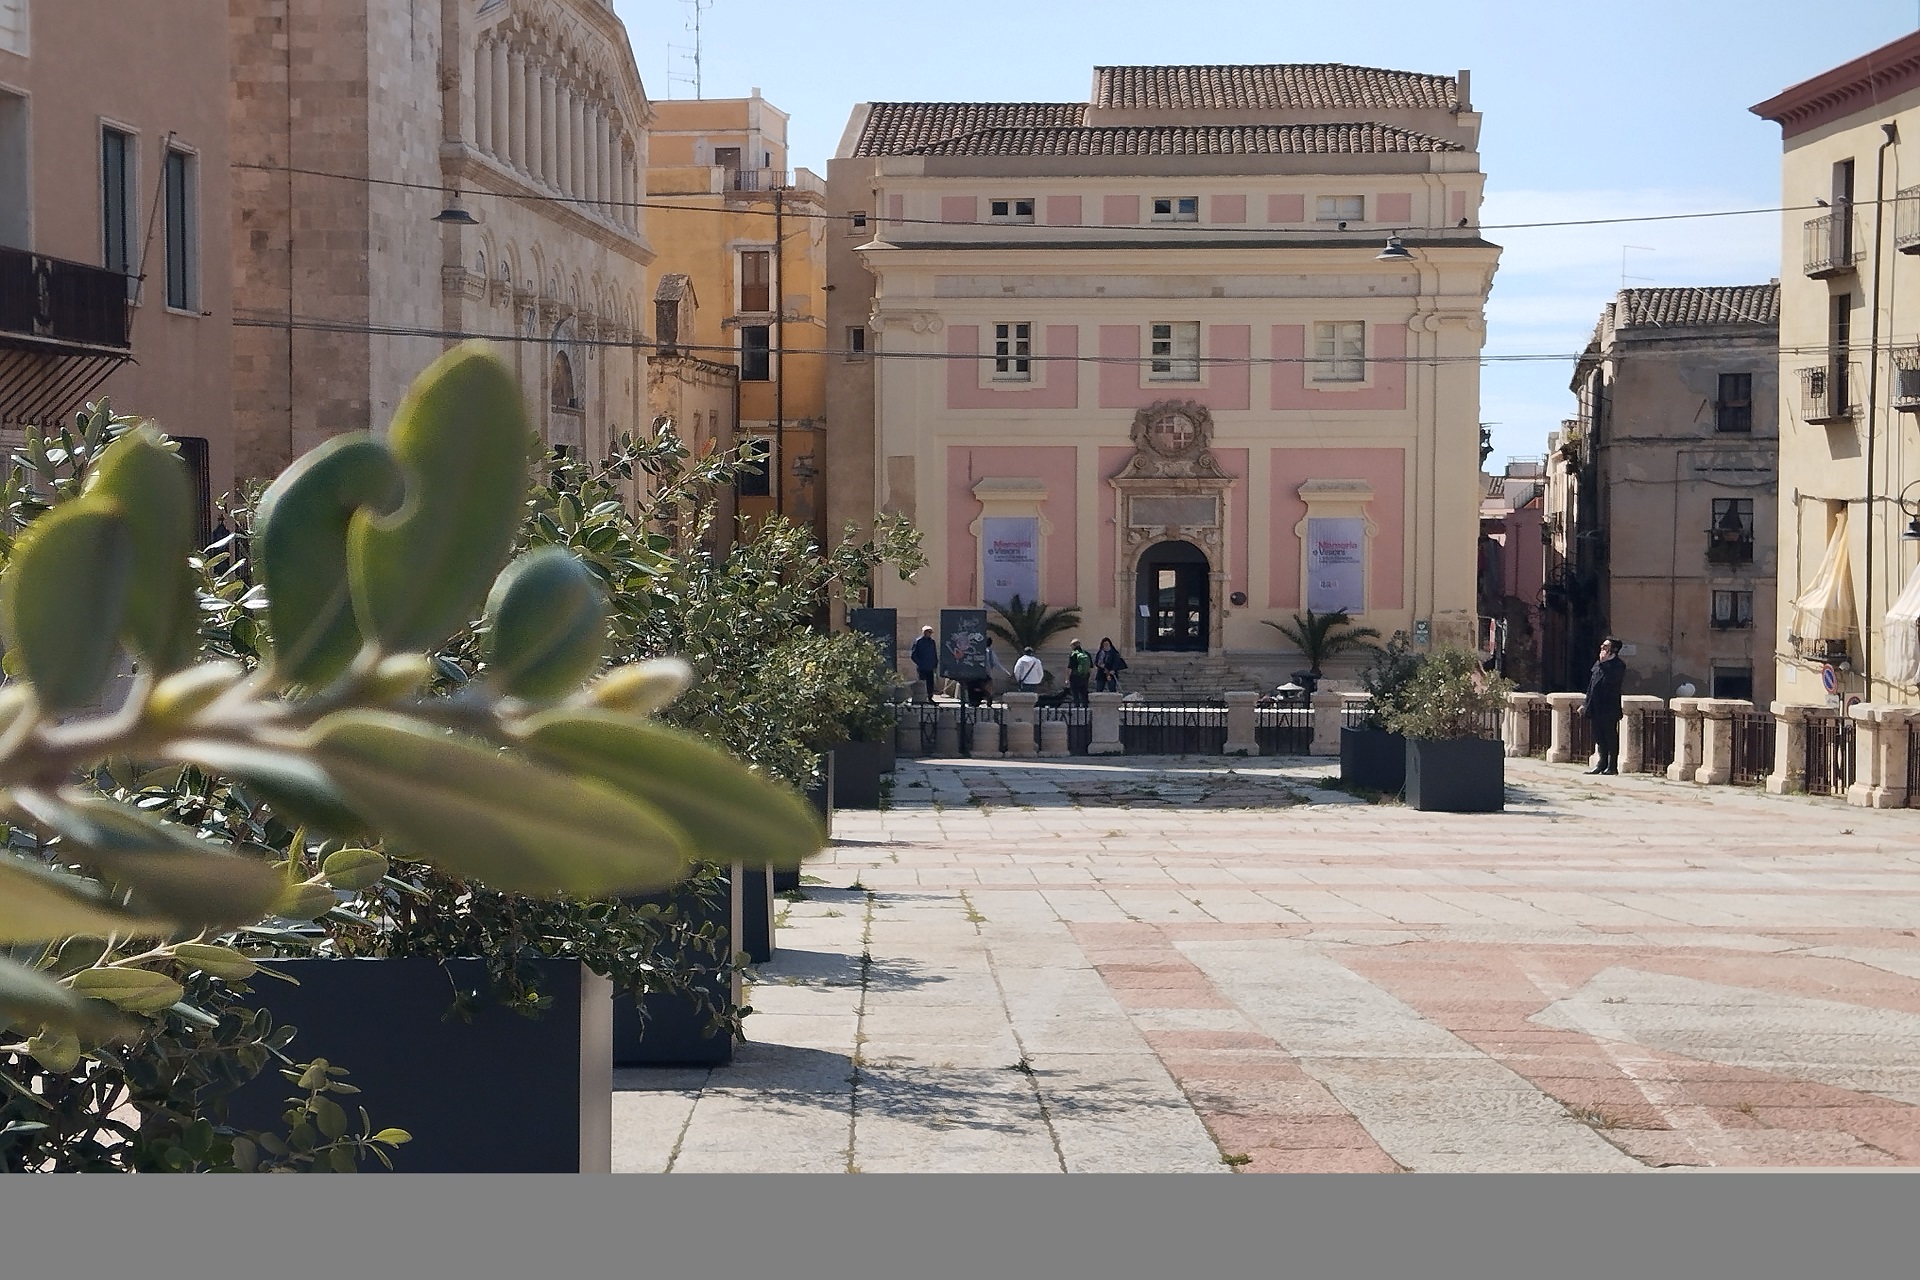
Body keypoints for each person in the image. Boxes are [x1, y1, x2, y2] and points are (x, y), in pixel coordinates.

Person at [1582, 636, 1627, 775]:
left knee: (1610, 736)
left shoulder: (1618, 665)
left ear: (1614, 650)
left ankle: (1612, 766)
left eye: (1606, 647)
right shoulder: (1598, 664)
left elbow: (1611, 682)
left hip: (1609, 707)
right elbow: (1592, 685)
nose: (1602, 648)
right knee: (1598, 736)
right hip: (1595, 707)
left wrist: (1604, 663)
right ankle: (1601, 764)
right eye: (1602, 646)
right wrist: (1585, 704)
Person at [910, 625, 939, 701]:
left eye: (930, 632)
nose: (930, 634)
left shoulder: (932, 642)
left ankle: (930, 697)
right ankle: (922, 699)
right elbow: (913, 655)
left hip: (930, 666)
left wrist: (935, 663)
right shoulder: (918, 641)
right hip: (922, 667)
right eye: (928, 632)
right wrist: (920, 663)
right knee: (922, 683)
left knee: (930, 683)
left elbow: (934, 653)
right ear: (924, 632)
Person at [1066, 639, 1093, 706]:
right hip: (1084, 676)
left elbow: (1070, 667)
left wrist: (1067, 678)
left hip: (1075, 676)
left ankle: (1077, 707)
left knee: (1075, 693)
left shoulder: (1073, 654)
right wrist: (1087, 676)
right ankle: (1085, 707)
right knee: (1084, 693)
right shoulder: (1086, 653)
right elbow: (1091, 667)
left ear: (1073, 646)